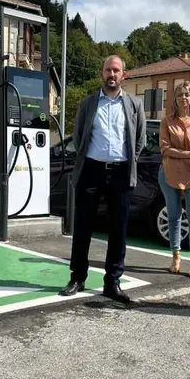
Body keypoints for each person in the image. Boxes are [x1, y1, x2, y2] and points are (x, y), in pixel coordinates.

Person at [60, 55, 146, 303]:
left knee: (118, 230)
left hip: (121, 172)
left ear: (123, 75)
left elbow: (139, 140)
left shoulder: (134, 105)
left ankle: (113, 282)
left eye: (116, 70)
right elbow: (78, 136)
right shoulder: (88, 104)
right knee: (83, 227)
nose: (112, 74)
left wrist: (128, 160)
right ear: (102, 73)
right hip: (91, 170)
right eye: (108, 70)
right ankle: (77, 277)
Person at [158, 82, 190, 279]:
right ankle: (176, 256)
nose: (183, 98)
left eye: (187, 94)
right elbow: (165, 150)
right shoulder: (167, 122)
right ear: (175, 99)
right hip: (170, 172)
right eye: (180, 94)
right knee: (173, 216)